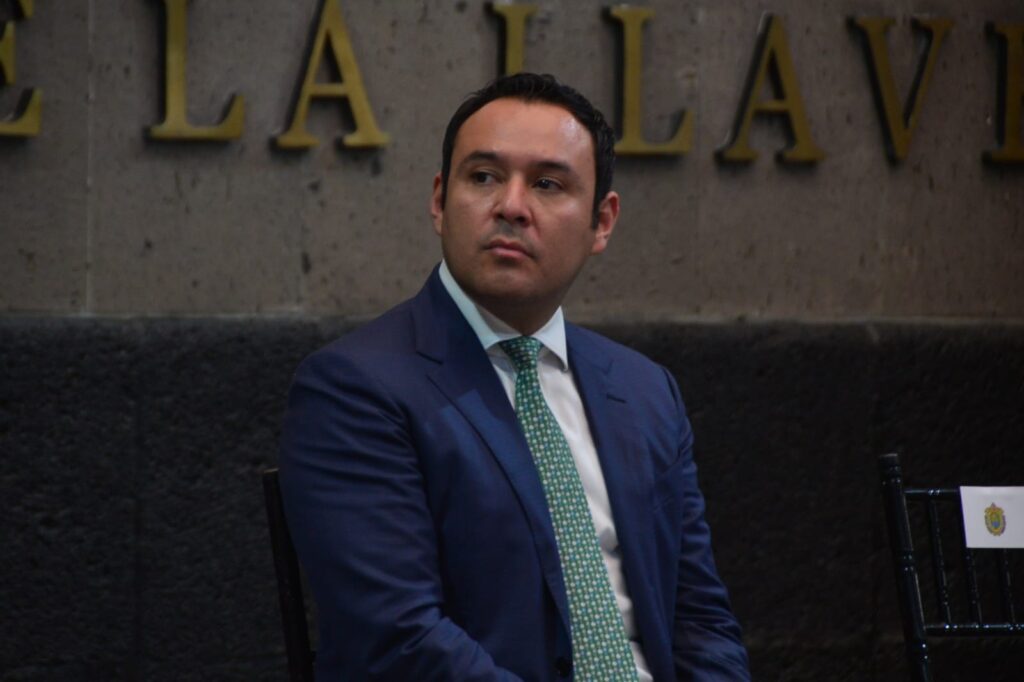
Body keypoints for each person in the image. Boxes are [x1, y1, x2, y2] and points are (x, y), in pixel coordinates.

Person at [279, 72, 750, 681]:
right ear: (439, 200)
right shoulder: (355, 388)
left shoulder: (645, 392)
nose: (511, 206)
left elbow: (702, 621)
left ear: (602, 222)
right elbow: (399, 639)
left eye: (548, 184)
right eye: (483, 177)